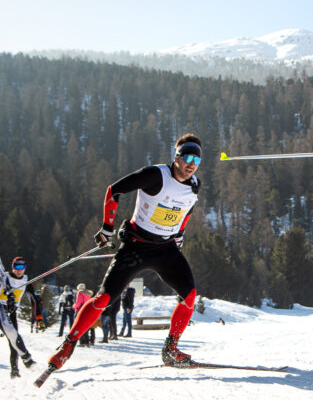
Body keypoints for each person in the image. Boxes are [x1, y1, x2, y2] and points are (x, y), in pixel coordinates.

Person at [43, 134, 202, 379]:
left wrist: (179, 236)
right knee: (104, 298)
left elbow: (186, 210)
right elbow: (114, 190)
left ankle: (170, 350)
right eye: (187, 157)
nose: (191, 164)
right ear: (176, 157)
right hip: (136, 247)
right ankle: (68, 345)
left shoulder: (194, 185)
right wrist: (107, 227)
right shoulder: (155, 175)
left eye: (197, 160)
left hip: (165, 249)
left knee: (189, 296)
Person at [0, 256, 36, 378]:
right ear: (12, 267)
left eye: (22, 267)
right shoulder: (4, 277)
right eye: (17, 266)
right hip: (1, 308)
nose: (19, 270)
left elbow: (34, 300)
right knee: (11, 332)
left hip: (11, 312)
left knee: (13, 340)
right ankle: (27, 358)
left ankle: (15, 370)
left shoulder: (26, 281)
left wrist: (38, 317)